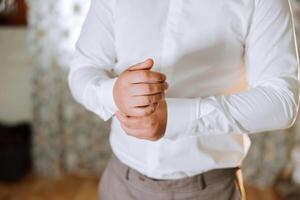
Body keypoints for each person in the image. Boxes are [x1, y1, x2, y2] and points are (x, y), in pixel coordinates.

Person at [68, 0, 300, 199]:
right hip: (120, 183)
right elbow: (83, 69)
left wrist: (177, 117)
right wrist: (112, 94)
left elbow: (281, 99)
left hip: (209, 190)